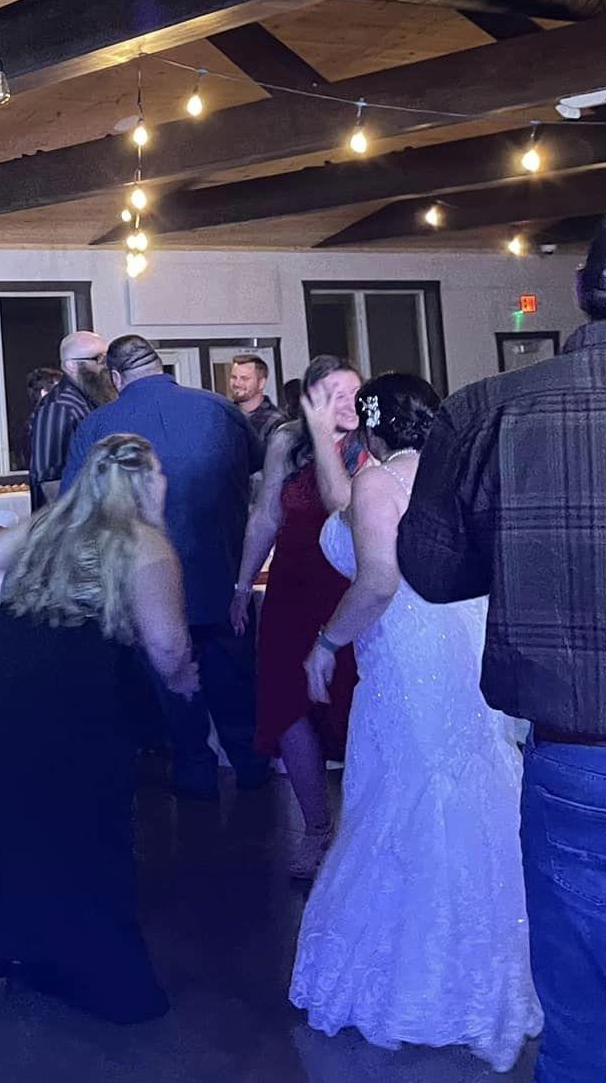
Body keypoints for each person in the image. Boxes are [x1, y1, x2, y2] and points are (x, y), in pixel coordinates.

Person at [399, 201, 606, 1083]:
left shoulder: (488, 408)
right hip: (585, 758)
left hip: (585, 755)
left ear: (581, 290)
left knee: (592, 1028)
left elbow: (432, 573)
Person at [289, 373, 541, 1069]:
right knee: (471, 789)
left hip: (406, 654)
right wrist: (323, 438)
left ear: (374, 429)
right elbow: (345, 510)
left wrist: (326, 643)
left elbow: (376, 579)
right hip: (463, 646)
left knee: (403, 795)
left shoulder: (379, 482)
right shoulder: (457, 477)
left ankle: (414, 983)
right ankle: (486, 972)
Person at [0, 434, 197, 1024]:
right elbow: (167, 643)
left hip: (1, 660)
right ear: (144, 481)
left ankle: (23, 943)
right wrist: (185, 680)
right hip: (72, 682)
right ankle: (96, 971)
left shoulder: (53, 522)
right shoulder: (144, 541)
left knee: (22, 814)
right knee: (88, 822)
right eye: (160, 472)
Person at [65, 334, 267, 800]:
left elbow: (76, 508)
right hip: (222, 573)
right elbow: (259, 476)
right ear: (160, 365)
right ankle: (253, 770)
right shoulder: (219, 409)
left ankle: (196, 773)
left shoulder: (100, 425)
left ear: (116, 377)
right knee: (236, 684)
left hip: (145, 584)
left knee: (174, 689)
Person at [232, 355, 364, 875]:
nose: (346, 403)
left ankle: (364, 829)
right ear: (310, 399)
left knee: (355, 703)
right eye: (333, 394)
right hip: (291, 584)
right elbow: (266, 514)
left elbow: (347, 509)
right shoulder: (287, 441)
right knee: (288, 703)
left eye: (352, 392)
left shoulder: (371, 442)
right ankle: (315, 828)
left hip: (349, 586)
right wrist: (242, 584)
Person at [28, 331, 110, 507]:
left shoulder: (90, 399)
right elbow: (49, 480)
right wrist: (74, 519)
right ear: (71, 365)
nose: (106, 366)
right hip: (71, 519)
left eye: (107, 358)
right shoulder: (58, 407)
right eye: (98, 359)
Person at [228, 354, 285, 460]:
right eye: (233, 377)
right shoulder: (225, 416)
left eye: (244, 378)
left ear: (261, 383)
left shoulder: (276, 422)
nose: (237, 383)